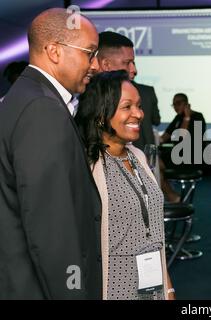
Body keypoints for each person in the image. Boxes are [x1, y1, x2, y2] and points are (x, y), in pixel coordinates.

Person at [0, 8, 102, 299]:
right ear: (54, 51)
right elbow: (52, 230)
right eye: (89, 53)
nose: (94, 65)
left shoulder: (25, 97)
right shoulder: (43, 109)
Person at [75, 70, 174, 300]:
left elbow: (155, 235)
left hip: (152, 288)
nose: (138, 114)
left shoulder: (137, 155)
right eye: (127, 107)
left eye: (139, 106)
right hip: (115, 288)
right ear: (101, 115)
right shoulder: (88, 166)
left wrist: (168, 288)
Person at [96, 31, 161, 150]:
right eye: (127, 63)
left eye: (139, 106)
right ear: (106, 64)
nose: (133, 69)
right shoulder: (80, 102)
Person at [159, 93, 206, 202]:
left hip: (190, 158)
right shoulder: (178, 117)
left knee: (155, 166)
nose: (175, 107)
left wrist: (187, 118)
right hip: (176, 155)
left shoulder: (197, 117)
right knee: (154, 165)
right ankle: (171, 194)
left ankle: (172, 196)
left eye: (178, 103)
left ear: (187, 104)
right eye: (174, 104)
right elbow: (165, 136)